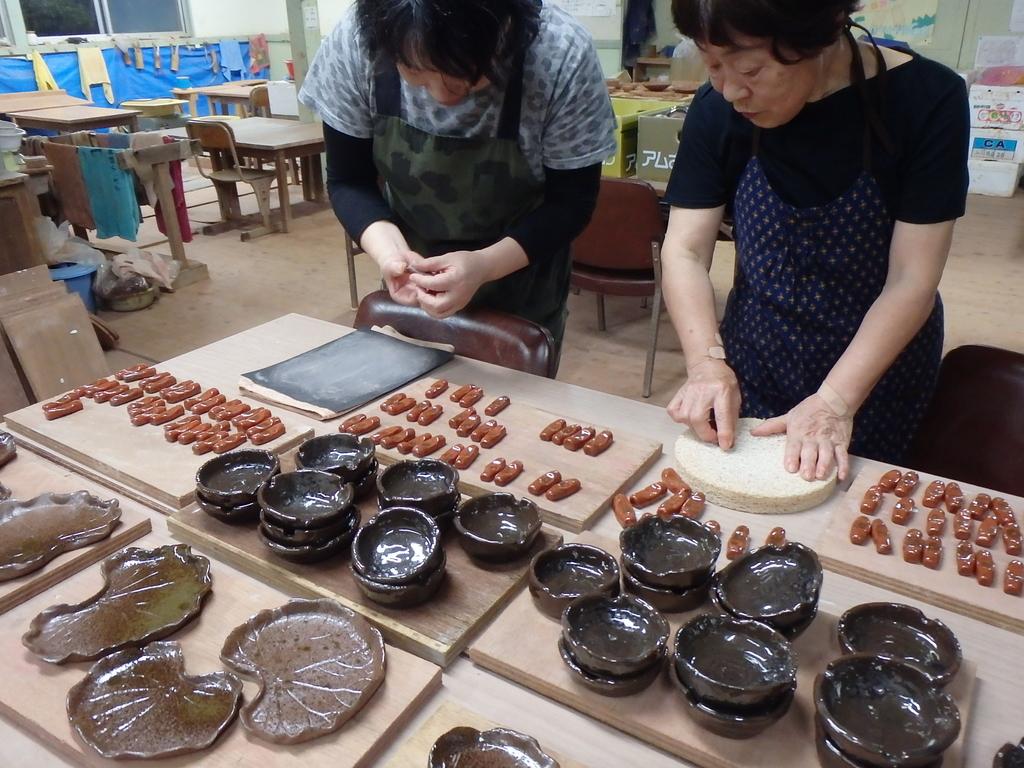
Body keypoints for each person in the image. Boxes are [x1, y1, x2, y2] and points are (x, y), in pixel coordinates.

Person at [661, 0, 969, 482]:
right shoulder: (716, 109)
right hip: (756, 358)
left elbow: (912, 279)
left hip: (876, 372)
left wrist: (834, 402)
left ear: (821, 35)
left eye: (749, 69)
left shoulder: (927, 99)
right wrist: (706, 364)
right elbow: (684, 249)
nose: (729, 91)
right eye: (712, 64)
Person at [299, 0, 616, 347]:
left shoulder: (559, 53)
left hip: (523, 288)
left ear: (504, 30)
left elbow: (571, 202)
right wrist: (390, 254)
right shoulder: (360, 39)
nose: (442, 96)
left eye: (465, 77)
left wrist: (484, 266)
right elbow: (349, 179)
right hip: (414, 283)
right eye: (416, 74)